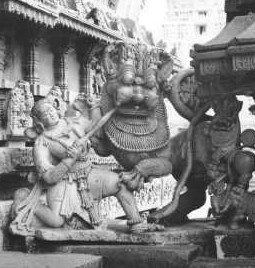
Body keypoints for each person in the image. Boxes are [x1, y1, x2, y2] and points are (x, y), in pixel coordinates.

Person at [11, 97, 159, 234]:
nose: (50, 115)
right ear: (40, 122)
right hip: (64, 182)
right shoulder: (42, 142)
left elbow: (98, 129)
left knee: (120, 183)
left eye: (51, 110)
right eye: (45, 115)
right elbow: (49, 177)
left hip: (89, 173)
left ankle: (137, 223)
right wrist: (68, 160)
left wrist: (94, 107)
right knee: (56, 221)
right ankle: (28, 202)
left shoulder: (74, 122)